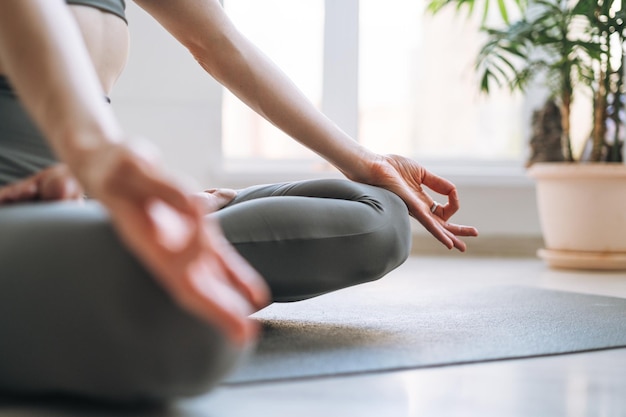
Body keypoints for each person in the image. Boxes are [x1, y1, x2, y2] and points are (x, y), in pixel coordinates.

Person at [0, 0, 478, 403]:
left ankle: (191, 213)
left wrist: (366, 162)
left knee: (378, 220)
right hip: (20, 212)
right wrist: (98, 154)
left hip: (89, 203)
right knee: (194, 334)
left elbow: (218, 43)